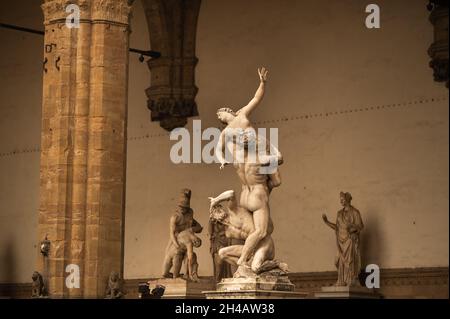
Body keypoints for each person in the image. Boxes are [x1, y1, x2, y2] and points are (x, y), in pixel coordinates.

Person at [214, 68, 283, 267]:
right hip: (255, 193)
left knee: (255, 234)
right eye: (219, 114)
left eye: (221, 111)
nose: (219, 114)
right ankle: (245, 261)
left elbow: (256, 98)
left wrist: (262, 83)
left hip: (246, 192)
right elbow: (218, 149)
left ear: (228, 112)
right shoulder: (228, 133)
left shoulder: (241, 115)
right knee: (260, 232)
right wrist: (221, 159)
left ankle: (249, 263)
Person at [322, 192, 364, 286]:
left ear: (347, 199)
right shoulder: (339, 213)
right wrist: (326, 222)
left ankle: (351, 280)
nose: (341, 201)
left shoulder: (355, 212)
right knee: (339, 261)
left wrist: (353, 229)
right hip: (341, 242)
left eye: (342, 199)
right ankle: (341, 281)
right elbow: (337, 227)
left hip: (350, 240)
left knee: (350, 261)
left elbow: (360, 226)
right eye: (340, 199)